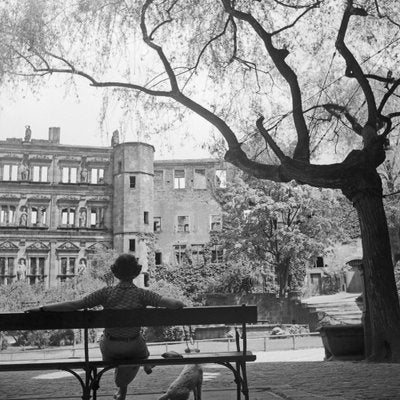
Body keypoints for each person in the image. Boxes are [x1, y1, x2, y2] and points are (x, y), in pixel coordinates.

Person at [27, 254, 184, 400]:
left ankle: (125, 387)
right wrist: (179, 303)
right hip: (135, 346)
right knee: (140, 348)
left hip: (110, 348)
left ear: (115, 273)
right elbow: (175, 304)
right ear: (136, 274)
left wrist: (42, 308)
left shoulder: (106, 293)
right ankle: (145, 364)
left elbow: (75, 304)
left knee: (115, 350)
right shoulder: (143, 295)